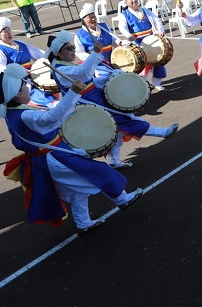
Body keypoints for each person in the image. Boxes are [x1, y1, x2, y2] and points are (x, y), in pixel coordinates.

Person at [1, 63, 144, 235]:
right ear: (16, 94)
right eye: (24, 86)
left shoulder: (13, 112)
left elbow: (52, 119)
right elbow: (51, 117)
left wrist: (73, 97)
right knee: (98, 172)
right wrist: (73, 93)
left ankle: (84, 222)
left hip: (49, 157)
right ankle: (122, 199)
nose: (28, 88)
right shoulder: (24, 114)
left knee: (77, 191)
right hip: (53, 158)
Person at [48, 31, 179, 168]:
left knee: (116, 129)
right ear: (58, 53)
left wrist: (110, 77)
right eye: (69, 49)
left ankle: (114, 161)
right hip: (90, 104)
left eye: (73, 47)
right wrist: (95, 52)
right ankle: (163, 133)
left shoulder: (65, 64)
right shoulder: (61, 70)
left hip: (96, 98)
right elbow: (83, 72)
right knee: (127, 121)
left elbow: (90, 81)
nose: (73, 50)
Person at [117, 0, 168, 92]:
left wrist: (160, 30)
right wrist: (128, 35)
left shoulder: (145, 10)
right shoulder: (124, 15)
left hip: (151, 40)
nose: (133, 0)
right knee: (142, 64)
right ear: (126, 2)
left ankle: (156, 83)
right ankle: (142, 85)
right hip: (138, 42)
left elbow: (156, 20)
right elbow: (122, 27)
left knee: (158, 61)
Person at [0, 16, 57, 107]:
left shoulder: (19, 43)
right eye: (4, 31)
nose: (8, 33)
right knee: (44, 102)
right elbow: (2, 68)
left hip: (33, 77)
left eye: (9, 30)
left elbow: (39, 54)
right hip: (19, 84)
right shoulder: (1, 50)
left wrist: (53, 54)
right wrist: (19, 71)